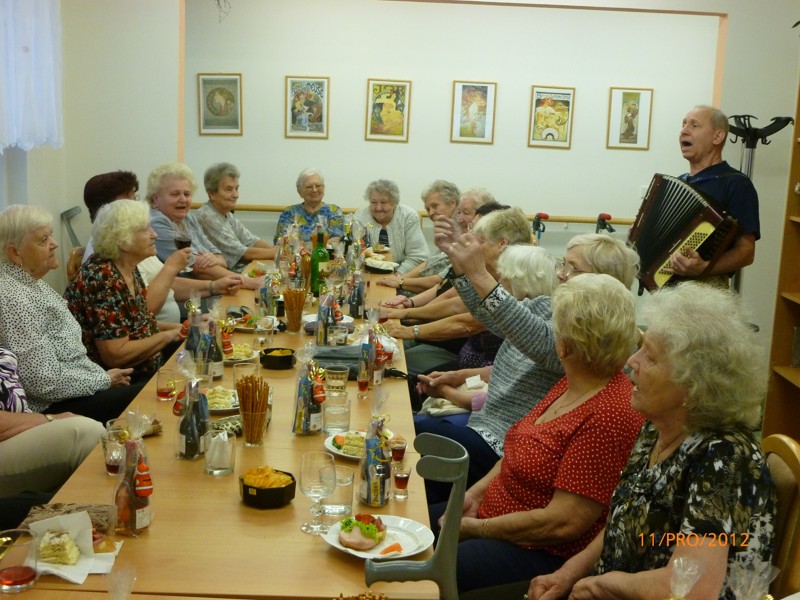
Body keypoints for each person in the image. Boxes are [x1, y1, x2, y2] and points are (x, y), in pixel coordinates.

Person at [529, 282, 776, 600]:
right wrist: (568, 573)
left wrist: (604, 584)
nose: (632, 360)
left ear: (694, 385)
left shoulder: (725, 459)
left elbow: (693, 588)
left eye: (651, 357)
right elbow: (623, 521)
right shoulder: (655, 428)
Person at [429, 274, 644, 594]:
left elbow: (563, 522)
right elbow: (516, 448)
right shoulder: (573, 382)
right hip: (493, 518)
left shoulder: (609, 414)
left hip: (537, 551)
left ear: (564, 345)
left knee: (422, 568)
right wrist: (473, 496)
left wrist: (477, 528)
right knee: (410, 524)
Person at [418, 228, 640, 502]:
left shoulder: (593, 337)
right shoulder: (550, 304)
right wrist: (462, 269)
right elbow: (491, 317)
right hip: (486, 426)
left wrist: (479, 274)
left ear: (603, 280)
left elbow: (538, 339)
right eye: (563, 264)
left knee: (412, 433)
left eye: (573, 268)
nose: (561, 274)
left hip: (504, 444)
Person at [0, 205, 140, 423]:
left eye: (51, 236)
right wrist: (102, 380)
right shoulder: (14, 297)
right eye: (43, 240)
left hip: (82, 384)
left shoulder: (30, 283)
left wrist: (101, 378)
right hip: (55, 407)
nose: (54, 244)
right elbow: (41, 381)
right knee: (151, 396)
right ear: (14, 252)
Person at [414, 245, 556, 425]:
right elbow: (477, 309)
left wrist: (446, 391)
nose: (498, 282)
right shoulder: (522, 316)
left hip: (492, 424)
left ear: (521, 284)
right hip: (475, 394)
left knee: (416, 421)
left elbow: (497, 403)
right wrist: (457, 376)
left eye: (503, 278)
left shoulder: (527, 326)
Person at [83, 171, 242, 323]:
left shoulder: (131, 246)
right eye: (130, 199)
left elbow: (165, 284)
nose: (154, 234)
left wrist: (215, 286)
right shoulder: (108, 256)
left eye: (135, 197)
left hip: (169, 326)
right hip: (162, 331)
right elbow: (138, 318)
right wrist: (171, 268)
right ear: (109, 208)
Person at [66, 200, 184, 381]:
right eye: (145, 230)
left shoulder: (127, 267)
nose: (154, 234)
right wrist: (169, 335)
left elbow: (138, 324)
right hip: (116, 381)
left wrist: (181, 328)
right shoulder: (102, 278)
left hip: (145, 368)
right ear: (123, 241)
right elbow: (115, 355)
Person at [668, 105, 760, 285]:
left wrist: (705, 267)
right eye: (683, 124)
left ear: (717, 137)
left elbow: (747, 251)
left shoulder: (736, 184)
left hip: (708, 289)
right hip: (667, 288)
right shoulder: (678, 183)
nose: (684, 130)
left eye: (694, 125)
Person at [0, 347, 104, 499]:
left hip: (22, 425)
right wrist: (48, 418)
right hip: (12, 433)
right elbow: (43, 382)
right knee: (85, 434)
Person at [148, 162, 258, 288]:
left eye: (187, 194)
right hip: (190, 294)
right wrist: (247, 282)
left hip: (213, 287)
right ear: (156, 198)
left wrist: (216, 259)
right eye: (175, 194)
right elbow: (198, 268)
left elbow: (222, 258)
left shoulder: (189, 218)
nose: (183, 199)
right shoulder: (157, 223)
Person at [376, 180, 462, 295]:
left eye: (435, 206)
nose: (431, 213)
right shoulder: (446, 234)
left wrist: (401, 282)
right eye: (428, 209)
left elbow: (439, 283)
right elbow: (428, 263)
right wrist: (399, 278)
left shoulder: (463, 238)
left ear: (452, 203)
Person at [195, 162, 276, 272]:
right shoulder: (207, 216)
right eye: (229, 189)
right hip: (225, 277)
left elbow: (251, 240)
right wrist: (279, 252)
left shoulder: (227, 213)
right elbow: (242, 253)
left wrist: (274, 249)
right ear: (212, 194)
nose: (236, 195)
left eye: (236, 189)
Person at [353, 179, 428, 274]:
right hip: (368, 273)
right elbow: (355, 254)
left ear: (394, 202)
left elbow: (418, 256)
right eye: (374, 202)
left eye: (384, 202)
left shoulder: (408, 217)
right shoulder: (359, 218)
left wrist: (398, 276)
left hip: (403, 274)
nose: (378, 208)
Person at [273, 168, 344, 243]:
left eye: (318, 186)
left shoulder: (334, 211)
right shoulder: (289, 212)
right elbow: (280, 241)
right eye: (309, 187)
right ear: (299, 191)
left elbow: (337, 239)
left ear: (323, 188)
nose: (314, 190)